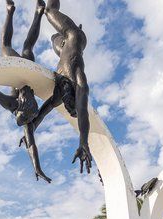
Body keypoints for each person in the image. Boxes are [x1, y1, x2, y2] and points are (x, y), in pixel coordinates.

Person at [0, 0, 52, 183]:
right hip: (21, 69)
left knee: (28, 48)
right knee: (5, 45)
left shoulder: (28, 114)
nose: (27, 91)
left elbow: (31, 144)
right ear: (20, 105)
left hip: (28, 70)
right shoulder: (12, 104)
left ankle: (38, 13)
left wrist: (37, 167)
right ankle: (10, 11)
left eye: (26, 92)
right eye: (27, 93)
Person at [27, 0, 93, 174]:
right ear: (73, 95)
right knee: (49, 10)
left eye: (66, 104)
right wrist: (83, 142)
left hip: (63, 47)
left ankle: (58, 38)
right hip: (74, 36)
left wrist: (30, 131)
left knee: (53, 39)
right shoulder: (78, 78)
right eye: (69, 102)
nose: (64, 100)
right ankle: (53, 15)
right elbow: (83, 112)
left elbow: (41, 114)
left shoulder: (59, 95)